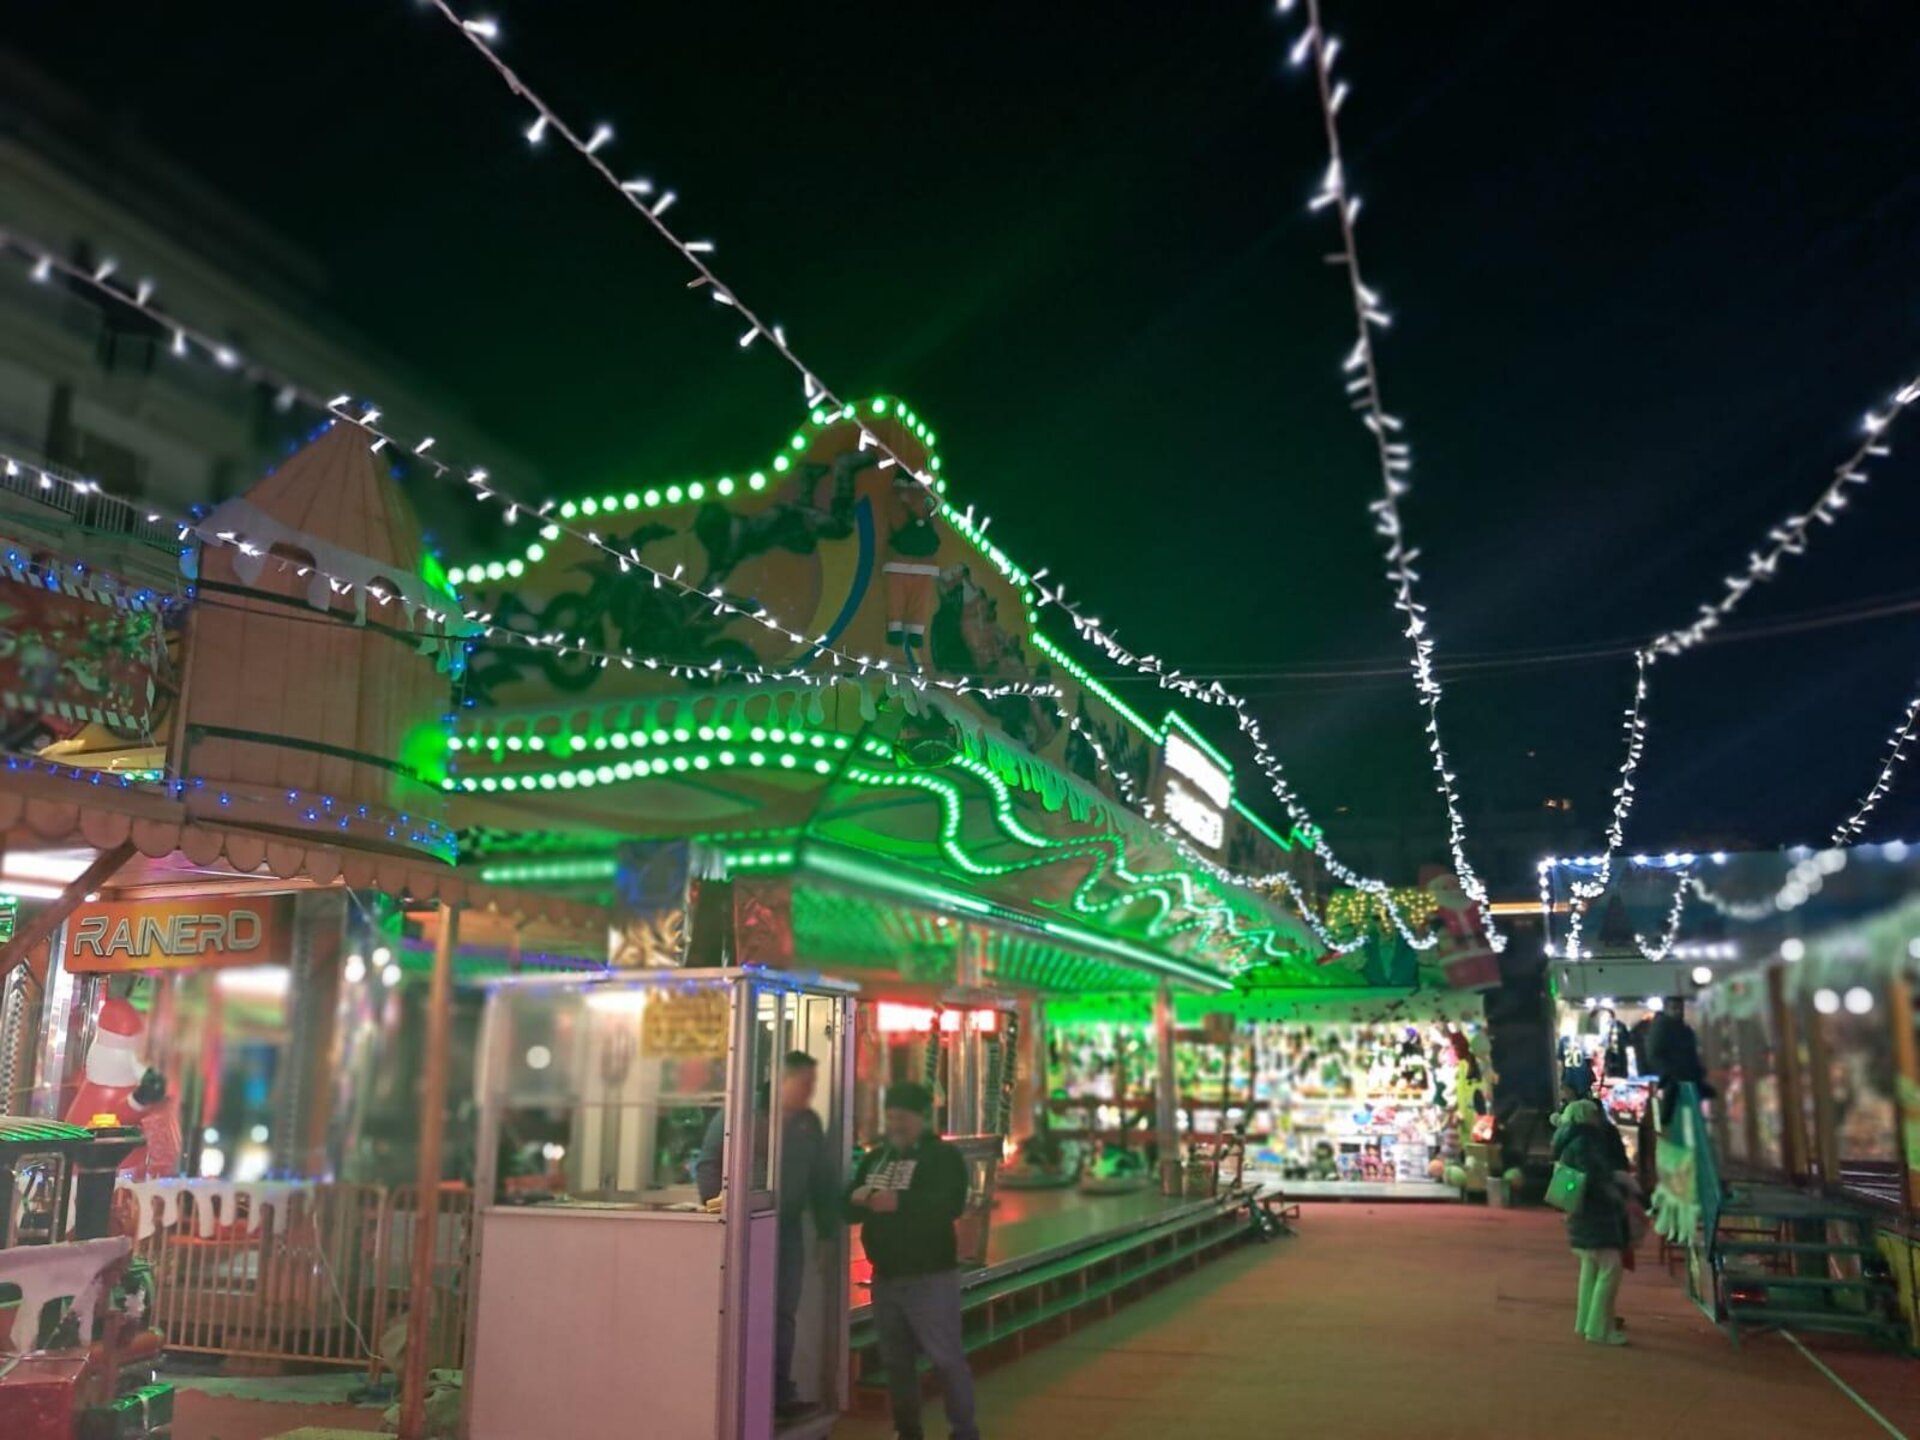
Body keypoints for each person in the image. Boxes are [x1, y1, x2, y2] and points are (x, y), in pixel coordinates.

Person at [695, 1051, 840, 1418]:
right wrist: (720, 1213)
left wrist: (826, 1233)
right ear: (783, 1080)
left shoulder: (808, 1123)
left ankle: (779, 1394)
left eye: (813, 1084)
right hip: (744, 1226)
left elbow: (821, 1180)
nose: (810, 1091)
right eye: (805, 1083)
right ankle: (741, 1395)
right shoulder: (740, 1114)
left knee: (783, 1311)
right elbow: (708, 1164)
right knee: (744, 1308)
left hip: (787, 1228)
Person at [848, 1082, 980, 1440]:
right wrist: (857, 1199)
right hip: (886, 1277)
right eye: (891, 1117)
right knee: (896, 1363)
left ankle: (964, 1431)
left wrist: (899, 1203)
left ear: (923, 1118)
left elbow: (950, 1204)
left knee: (946, 1359)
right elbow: (849, 1207)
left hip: (931, 1276)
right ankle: (907, 1431)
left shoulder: (942, 1157)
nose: (896, 1125)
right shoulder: (877, 1158)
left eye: (903, 1118)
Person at [1554, 1097, 1633, 1346]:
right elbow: (1598, 1179)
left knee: (1591, 1268)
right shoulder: (1587, 1142)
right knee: (1610, 1268)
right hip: (1596, 1215)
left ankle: (1586, 1322)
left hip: (1580, 1214)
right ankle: (1600, 1329)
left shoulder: (1568, 1140)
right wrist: (1618, 1193)